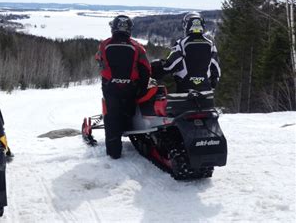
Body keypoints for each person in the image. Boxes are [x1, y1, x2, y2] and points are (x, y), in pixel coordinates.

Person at [95, 15, 151, 159]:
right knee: (129, 112)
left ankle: (114, 152)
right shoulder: (137, 46)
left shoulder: (104, 45)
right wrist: (142, 87)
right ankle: (133, 132)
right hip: (130, 88)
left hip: (110, 87)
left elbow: (98, 60)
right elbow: (146, 68)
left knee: (112, 116)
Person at [161, 11, 221, 92]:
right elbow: (216, 67)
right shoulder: (210, 44)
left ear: (186, 25)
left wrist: (157, 68)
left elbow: (169, 66)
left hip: (184, 87)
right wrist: (214, 84)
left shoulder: (181, 43)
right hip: (205, 88)